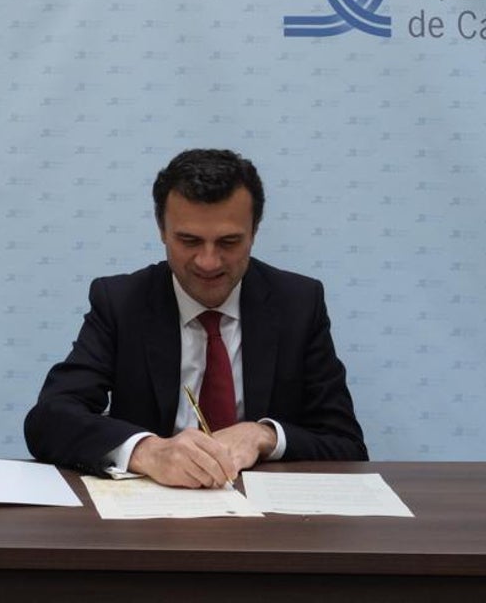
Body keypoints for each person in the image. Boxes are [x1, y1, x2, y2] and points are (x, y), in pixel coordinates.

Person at [24, 148, 366, 488]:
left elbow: (347, 446)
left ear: (255, 232)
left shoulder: (298, 303)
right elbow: (49, 420)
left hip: (267, 521)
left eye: (229, 242)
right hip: (149, 515)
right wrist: (148, 451)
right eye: (189, 241)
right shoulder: (121, 302)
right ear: (162, 230)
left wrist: (264, 435)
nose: (208, 262)